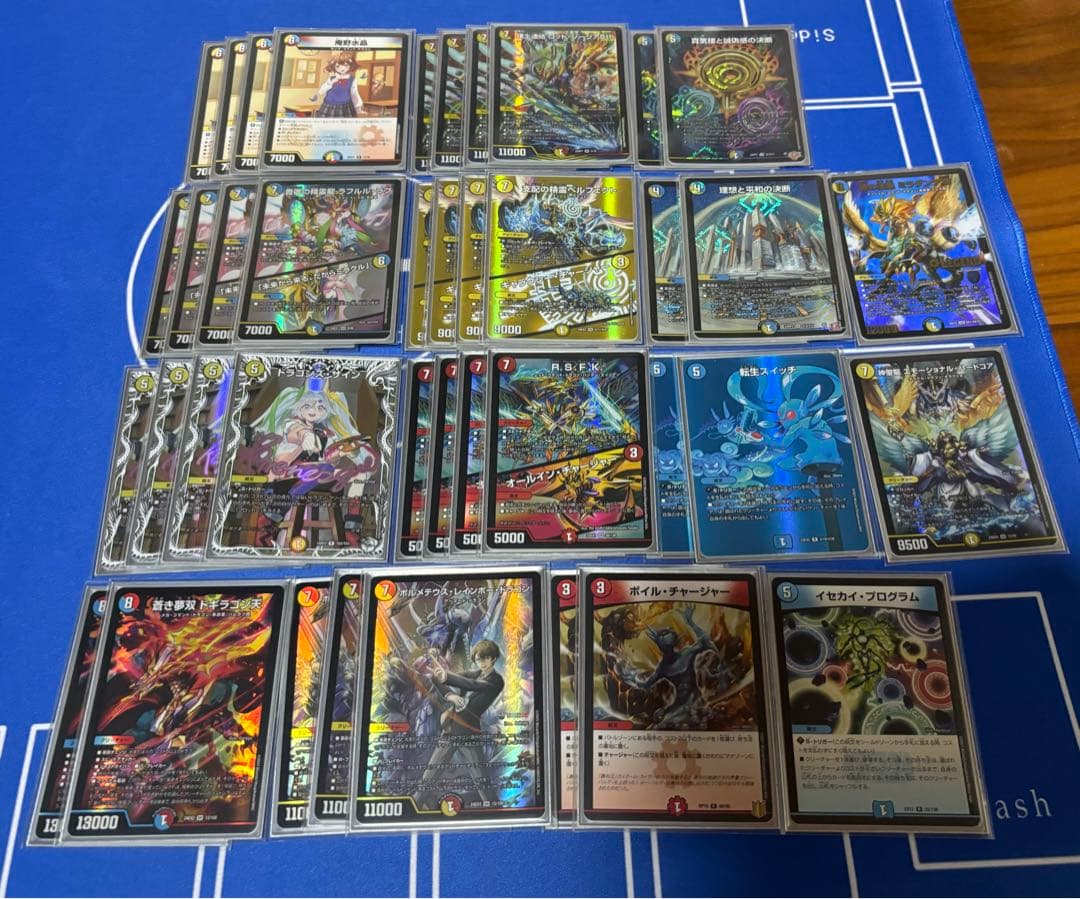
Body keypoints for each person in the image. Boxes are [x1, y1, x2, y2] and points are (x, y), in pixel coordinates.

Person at [415, 640, 504, 809]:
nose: (481, 663)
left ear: (493, 658)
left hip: (468, 733)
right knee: (430, 774)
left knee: (481, 781)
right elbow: (436, 678)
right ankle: (415, 805)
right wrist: (449, 694)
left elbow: (472, 685)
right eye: (478, 659)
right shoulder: (474, 673)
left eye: (485, 658)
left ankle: (495, 811)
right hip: (450, 729)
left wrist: (447, 677)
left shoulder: (496, 681)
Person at [311, 53, 363, 117]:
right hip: (329, 105)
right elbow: (322, 90)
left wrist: (358, 107)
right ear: (334, 66)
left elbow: (354, 94)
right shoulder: (331, 79)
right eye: (338, 66)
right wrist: (331, 83)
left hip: (345, 106)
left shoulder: (352, 80)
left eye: (346, 65)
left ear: (351, 66)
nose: (342, 68)